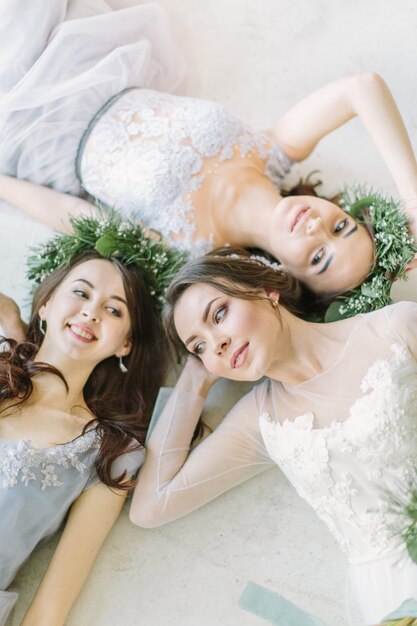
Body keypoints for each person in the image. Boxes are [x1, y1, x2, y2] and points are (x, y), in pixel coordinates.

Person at [1, 1, 417, 310]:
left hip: (37, 138)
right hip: (91, 62)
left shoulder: (191, 249)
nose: (316, 229)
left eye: (319, 257)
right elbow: (363, 86)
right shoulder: (273, 150)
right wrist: (413, 199)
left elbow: (76, 215)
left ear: (290, 278)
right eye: (341, 227)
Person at [130, 249, 417, 625]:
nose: (216, 343)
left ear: (267, 290)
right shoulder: (261, 421)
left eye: (219, 314)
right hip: (391, 592)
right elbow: (151, 506)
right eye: (199, 346)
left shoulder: (394, 328)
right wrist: (194, 381)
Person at [0, 210, 182, 626]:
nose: (91, 312)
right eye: (80, 293)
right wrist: (13, 324)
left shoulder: (110, 451)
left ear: (126, 344)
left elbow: (51, 606)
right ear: (46, 305)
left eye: (115, 311)